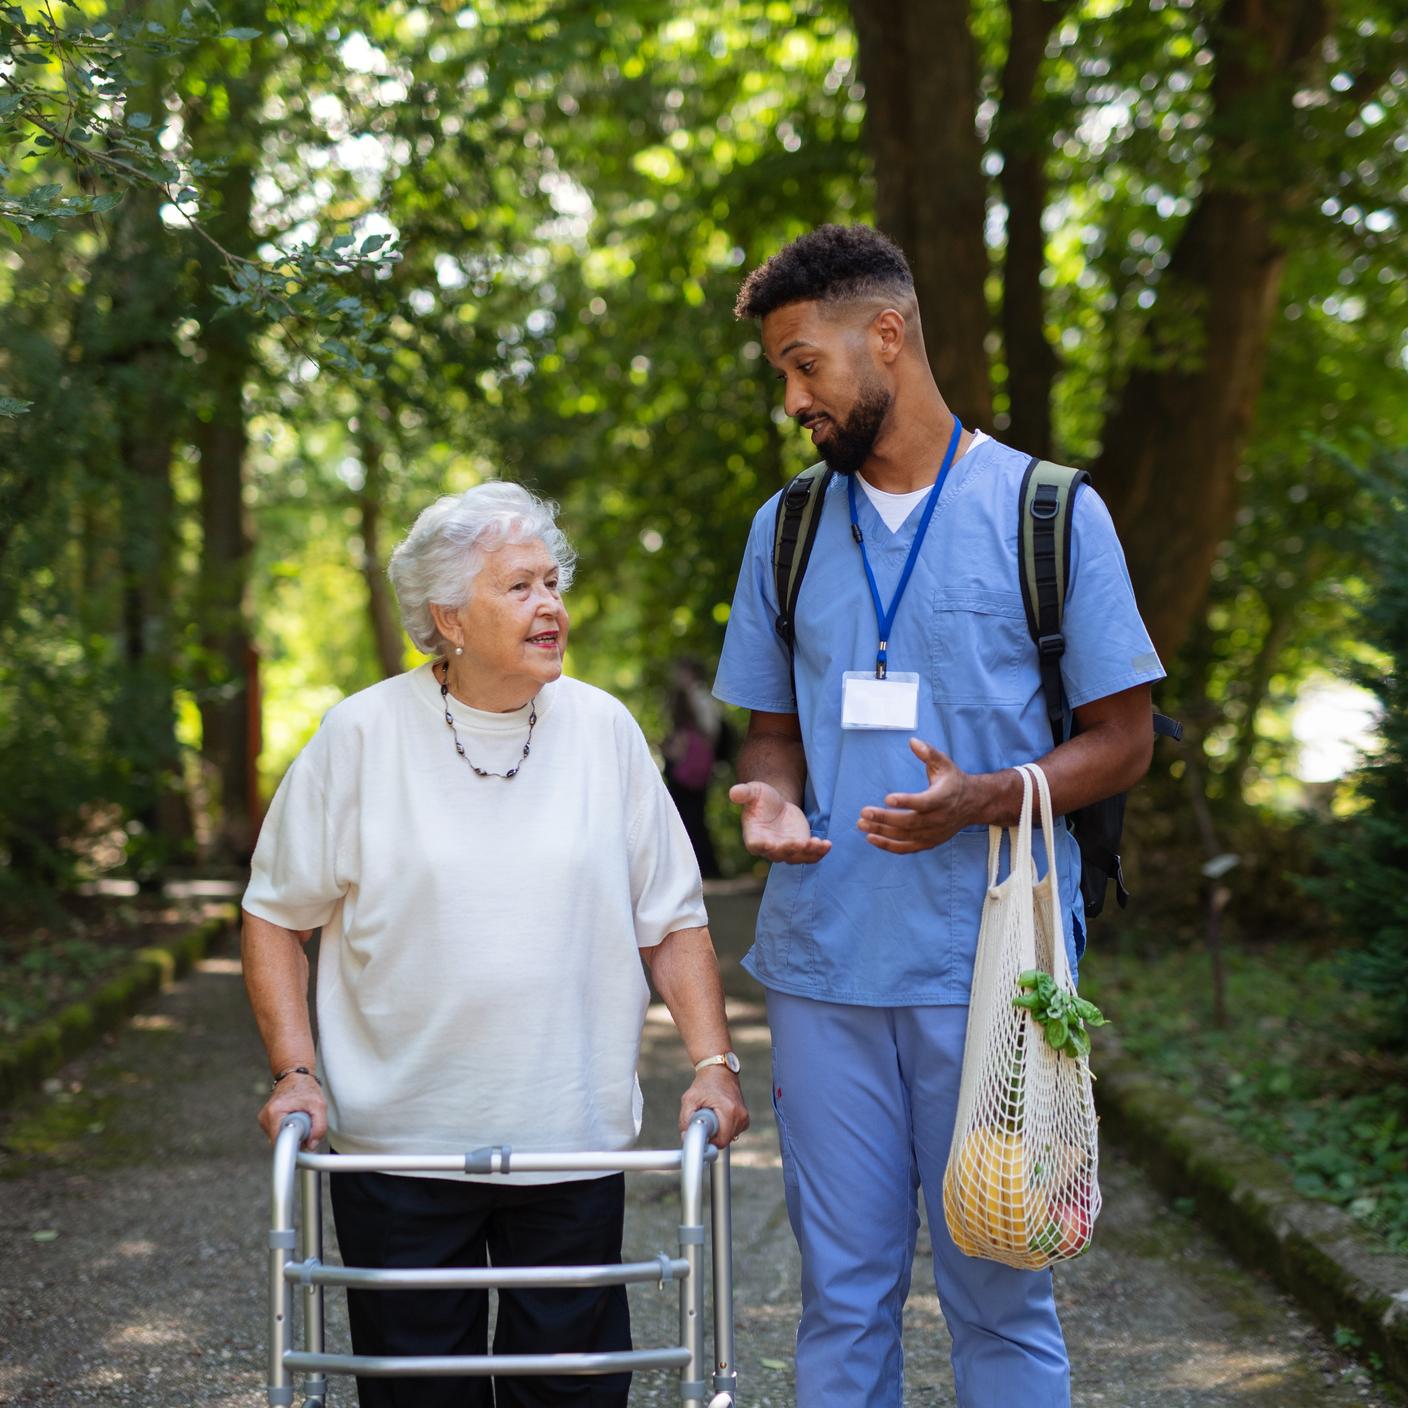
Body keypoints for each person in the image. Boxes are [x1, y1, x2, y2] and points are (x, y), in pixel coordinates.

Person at [713, 224, 1164, 1407]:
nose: (795, 398)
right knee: (843, 1294)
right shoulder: (787, 528)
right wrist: (768, 795)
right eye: (782, 374)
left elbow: (1122, 741)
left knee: (1002, 1291)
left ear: (888, 336)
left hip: (998, 965)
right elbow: (771, 730)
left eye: (807, 365)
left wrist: (990, 798)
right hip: (824, 965)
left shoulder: (1051, 513)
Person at [241, 481, 748, 1408]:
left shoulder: (603, 732)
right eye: (519, 587)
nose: (550, 605)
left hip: (570, 1142)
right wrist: (294, 1071)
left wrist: (714, 1062)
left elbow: (671, 919)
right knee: (417, 1395)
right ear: (449, 617)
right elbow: (275, 914)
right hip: (396, 1149)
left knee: (570, 1395)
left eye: (552, 583)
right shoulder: (360, 736)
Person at [662, 658, 723, 878]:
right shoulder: (692, 698)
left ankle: (702, 868)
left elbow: (709, 731)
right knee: (693, 817)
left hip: (691, 766)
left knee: (692, 817)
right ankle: (702, 867)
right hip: (694, 765)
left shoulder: (698, 698)